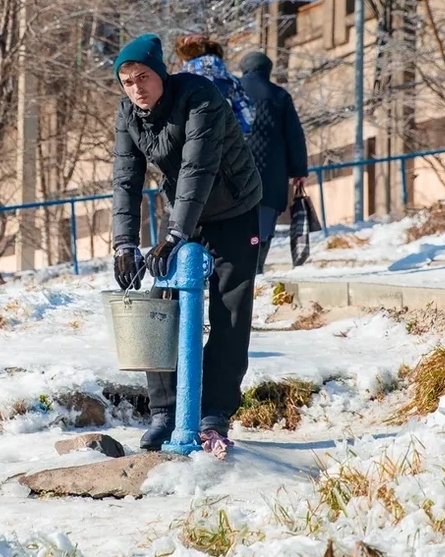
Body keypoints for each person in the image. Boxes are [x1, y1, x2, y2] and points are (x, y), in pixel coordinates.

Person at [111, 33, 263, 450]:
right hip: (185, 213)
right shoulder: (128, 113)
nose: (137, 88)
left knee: (230, 310)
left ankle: (214, 413)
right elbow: (126, 179)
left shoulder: (201, 97)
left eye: (143, 77)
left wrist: (175, 234)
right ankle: (166, 411)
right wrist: (124, 244)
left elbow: (199, 167)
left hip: (233, 210)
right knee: (161, 304)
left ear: (160, 74)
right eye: (127, 81)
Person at [238, 52, 309, 274]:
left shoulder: (231, 91)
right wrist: (299, 171)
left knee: (237, 222)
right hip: (272, 175)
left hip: (236, 173)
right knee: (263, 225)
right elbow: (295, 137)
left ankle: (237, 265)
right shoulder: (279, 96)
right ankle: (256, 265)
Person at [173, 34, 256, 135]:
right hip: (225, 145)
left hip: (187, 145)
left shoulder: (179, 82)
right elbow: (247, 118)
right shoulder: (231, 81)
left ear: (185, 57)